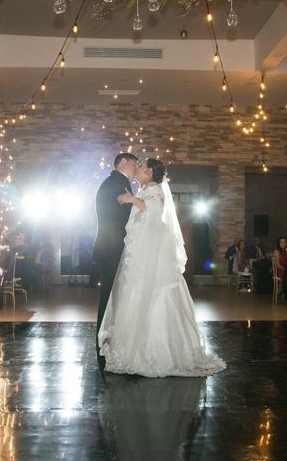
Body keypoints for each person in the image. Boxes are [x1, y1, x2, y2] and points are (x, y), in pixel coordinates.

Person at [98, 158, 225, 378]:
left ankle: (155, 353)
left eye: (141, 165)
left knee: (152, 296)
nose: (137, 167)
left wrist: (131, 199)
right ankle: (133, 347)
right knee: (136, 296)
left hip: (149, 255)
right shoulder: (144, 188)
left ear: (149, 172)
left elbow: (154, 211)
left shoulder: (154, 189)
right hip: (139, 253)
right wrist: (133, 199)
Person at [92, 152, 139, 369]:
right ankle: (103, 341)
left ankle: (107, 338)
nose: (136, 167)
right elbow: (123, 219)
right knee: (110, 297)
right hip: (112, 249)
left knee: (113, 296)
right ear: (123, 163)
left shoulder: (115, 182)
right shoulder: (118, 184)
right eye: (134, 163)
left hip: (109, 248)